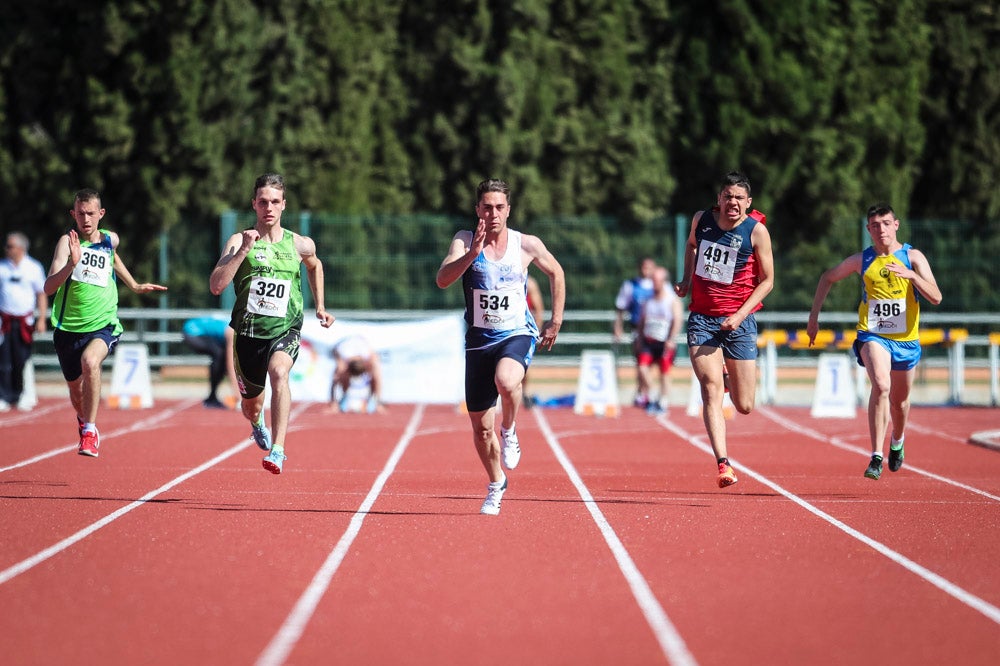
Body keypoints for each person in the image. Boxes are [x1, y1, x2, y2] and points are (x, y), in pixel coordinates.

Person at [436, 178, 565, 515]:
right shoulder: (464, 241)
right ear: (477, 209)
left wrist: (555, 320)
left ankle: (510, 428)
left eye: (499, 207)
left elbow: (557, 273)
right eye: (486, 207)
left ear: (508, 210)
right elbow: (443, 280)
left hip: (514, 333)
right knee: (480, 429)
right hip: (478, 342)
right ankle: (496, 483)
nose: (492, 213)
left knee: (507, 381)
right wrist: (473, 255)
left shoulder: (525, 245)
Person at [210, 173, 336, 474]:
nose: (269, 207)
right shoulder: (240, 240)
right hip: (248, 334)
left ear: (283, 206)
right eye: (263, 201)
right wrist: (242, 252)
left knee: (280, 373)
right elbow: (216, 285)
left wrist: (319, 305)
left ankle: (278, 450)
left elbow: (315, 264)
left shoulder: (299, 243)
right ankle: (256, 422)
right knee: (251, 404)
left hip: (285, 329)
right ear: (254, 204)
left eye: (275, 202)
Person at [807, 203, 942, 480]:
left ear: (896, 225)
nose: (881, 229)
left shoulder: (913, 257)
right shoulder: (862, 260)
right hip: (873, 335)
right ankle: (876, 456)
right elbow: (828, 277)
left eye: (885, 223)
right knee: (881, 385)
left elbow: (936, 297)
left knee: (900, 403)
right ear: (869, 230)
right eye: (875, 225)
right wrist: (813, 317)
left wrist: (913, 276)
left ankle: (898, 440)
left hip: (906, 341)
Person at [44, 189, 168, 457]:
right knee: (76, 393)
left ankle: (90, 430)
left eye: (91, 213)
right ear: (73, 214)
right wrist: (71, 265)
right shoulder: (67, 243)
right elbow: (48, 288)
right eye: (80, 213)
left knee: (91, 362)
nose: (85, 219)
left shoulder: (110, 240)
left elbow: (113, 259)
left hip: (103, 323)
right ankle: (83, 419)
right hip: (68, 329)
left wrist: (134, 285)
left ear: (101, 214)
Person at [674, 171, 774, 488]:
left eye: (739, 198)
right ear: (719, 198)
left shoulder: (756, 232)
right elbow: (691, 246)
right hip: (703, 319)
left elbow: (768, 281)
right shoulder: (701, 220)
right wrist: (687, 279)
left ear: (748, 203)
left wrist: (741, 315)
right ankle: (723, 464)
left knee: (744, 405)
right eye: (727, 196)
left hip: (739, 322)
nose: (732, 202)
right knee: (710, 389)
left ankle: (730, 378)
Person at [0, 232, 49, 411]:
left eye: (10, 246)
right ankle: (5, 395)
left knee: (21, 359)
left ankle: (21, 394)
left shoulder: (33, 268)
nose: (7, 249)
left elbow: (41, 294)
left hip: (24, 321)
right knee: (4, 360)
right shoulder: (2, 267)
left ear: (20, 248)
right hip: (4, 321)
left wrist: (42, 318)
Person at [635, 266, 683, 414]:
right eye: (652, 280)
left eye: (656, 281)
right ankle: (651, 394)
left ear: (664, 282)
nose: (654, 284)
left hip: (664, 342)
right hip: (649, 341)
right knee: (642, 368)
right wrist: (639, 337)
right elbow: (642, 320)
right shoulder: (648, 299)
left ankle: (663, 400)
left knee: (665, 372)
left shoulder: (671, 300)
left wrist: (671, 339)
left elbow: (678, 320)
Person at [614, 256, 656, 407]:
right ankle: (643, 392)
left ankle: (643, 391)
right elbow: (620, 308)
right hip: (638, 330)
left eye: (650, 267)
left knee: (649, 364)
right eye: (644, 267)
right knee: (641, 362)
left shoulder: (658, 285)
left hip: (657, 331)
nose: (647, 270)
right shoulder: (631, 285)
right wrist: (617, 327)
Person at [181, 315, 238, 409]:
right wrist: (238, 394)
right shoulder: (233, 332)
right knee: (219, 354)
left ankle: (212, 398)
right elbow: (231, 365)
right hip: (191, 331)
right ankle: (211, 398)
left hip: (200, 331)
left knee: (220, 357)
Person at [328, 334, 384, 413]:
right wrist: (333, 404)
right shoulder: (342, 362)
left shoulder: (370, 356)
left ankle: (375, 402)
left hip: (360, 342)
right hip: (341, 344)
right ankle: (344, 396)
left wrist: (378, 403)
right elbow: (334, 382)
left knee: (376, 375)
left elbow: (378, 379)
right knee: (340, 375)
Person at [521, 274, 545, 407]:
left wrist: (537, 331)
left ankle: (525, 393)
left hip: (524, 328)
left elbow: (539, 309)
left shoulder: (530, 284)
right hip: (502, 328)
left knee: (524, 364)